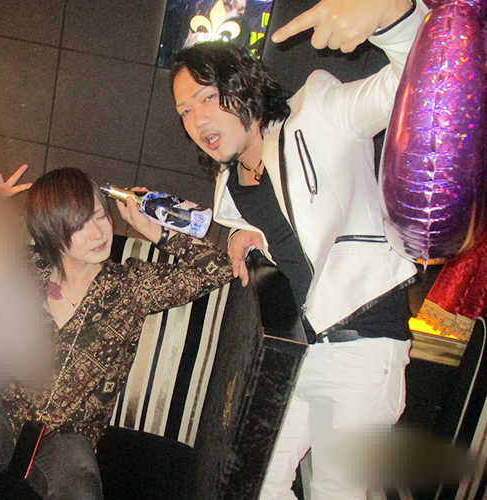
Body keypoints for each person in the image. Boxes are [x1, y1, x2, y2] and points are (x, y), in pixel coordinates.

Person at [169, 0, 428, 498]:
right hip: (298, 351)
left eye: (207, 97)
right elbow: (274, 228)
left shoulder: (320, 113)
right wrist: (242, 235)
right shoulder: (229, 185)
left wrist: (392, 15)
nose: (196, 119)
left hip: (362, 344)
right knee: (253, 485)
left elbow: (413, 83)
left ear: (242, 85)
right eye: (185, 111)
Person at [0, 167, 233, 499]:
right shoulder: (22, 269)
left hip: (71, 432)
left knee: (81, 491)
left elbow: (218, 268)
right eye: (78, 226)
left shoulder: (131, 286)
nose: (97, 233)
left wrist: (154, 230)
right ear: (50, 232)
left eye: (100, 217)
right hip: (2, 410)